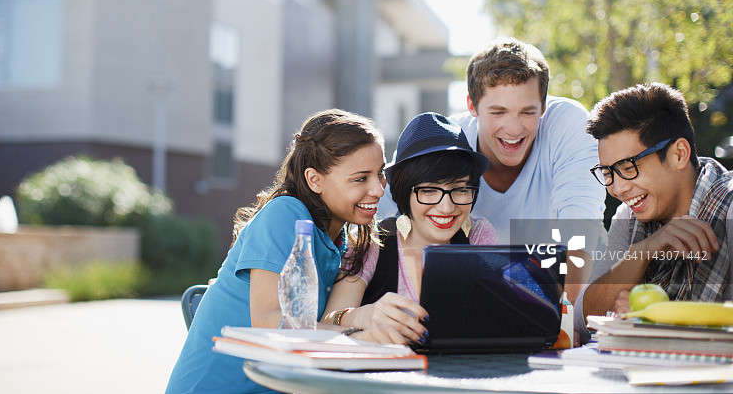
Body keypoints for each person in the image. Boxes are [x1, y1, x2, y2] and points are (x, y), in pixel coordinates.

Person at [165, 109, 403, 394]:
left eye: (380, 174)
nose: (378, 190)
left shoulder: (340, 240)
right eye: (360, 178)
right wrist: (359, 335)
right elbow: (270, 323)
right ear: (314, 180)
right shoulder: (286, 213)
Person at [380, 38, 606, 302]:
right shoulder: (448, 139)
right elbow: (380, 200)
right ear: (472, 106)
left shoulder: (568, 124)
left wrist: (565, 320)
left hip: (549, 293)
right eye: (498, 112)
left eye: (527, 112)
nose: (513, 129)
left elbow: (579, 228)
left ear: (543, 106)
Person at [321, 112, 497, 344]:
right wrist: (362, 318)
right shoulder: (373, 241)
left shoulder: (478, 235)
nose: (446, 207)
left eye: (460, 189)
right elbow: (327, 322)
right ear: (405, 191)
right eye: (428, 191)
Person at [576, 83, 732, 341]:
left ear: (679, 154)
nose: (617, 188)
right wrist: (641, 252)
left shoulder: (728, 207)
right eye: (607, 173)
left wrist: (655, 319)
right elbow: (583, 317)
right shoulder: (628, 218)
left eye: (628, 167)